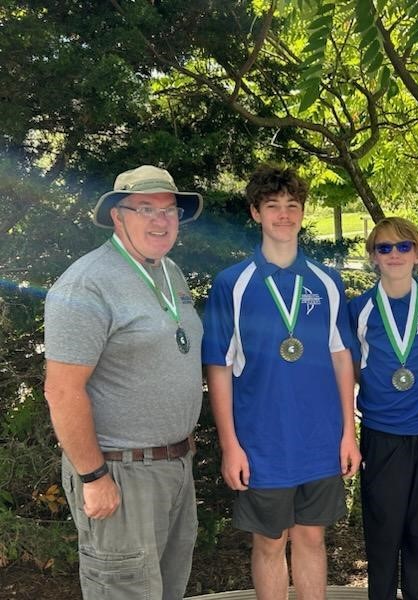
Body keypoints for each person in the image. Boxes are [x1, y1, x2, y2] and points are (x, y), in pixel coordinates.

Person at [43, 165, 204, 600]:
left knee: (169, 589)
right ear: (118, 216)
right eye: (145, 208)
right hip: (119, 471)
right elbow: (61, 391)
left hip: (175, 467)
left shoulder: (170, 272)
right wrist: (93, 476)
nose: (161, 221)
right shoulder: (86, 283)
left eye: (169, 211)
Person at [201, 164, 360, 599]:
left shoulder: (327, 282)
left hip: (320, 438)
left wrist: (349, 432)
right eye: (273, 206)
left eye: (293, 206)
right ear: (255, 213)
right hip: (261, 442)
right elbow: (218, 366)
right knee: (270, 542)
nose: (284, 215)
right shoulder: (232, 284)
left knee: (311, 539)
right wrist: (230, 444)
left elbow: (342, 357)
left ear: (303, 212)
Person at [348, 217, 418, 600]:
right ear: (373, 257)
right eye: (384, 248)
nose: (394, 254)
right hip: (380, 435)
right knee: (382, 534)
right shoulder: (360, 309)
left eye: (403, 246)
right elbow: (350, 369)